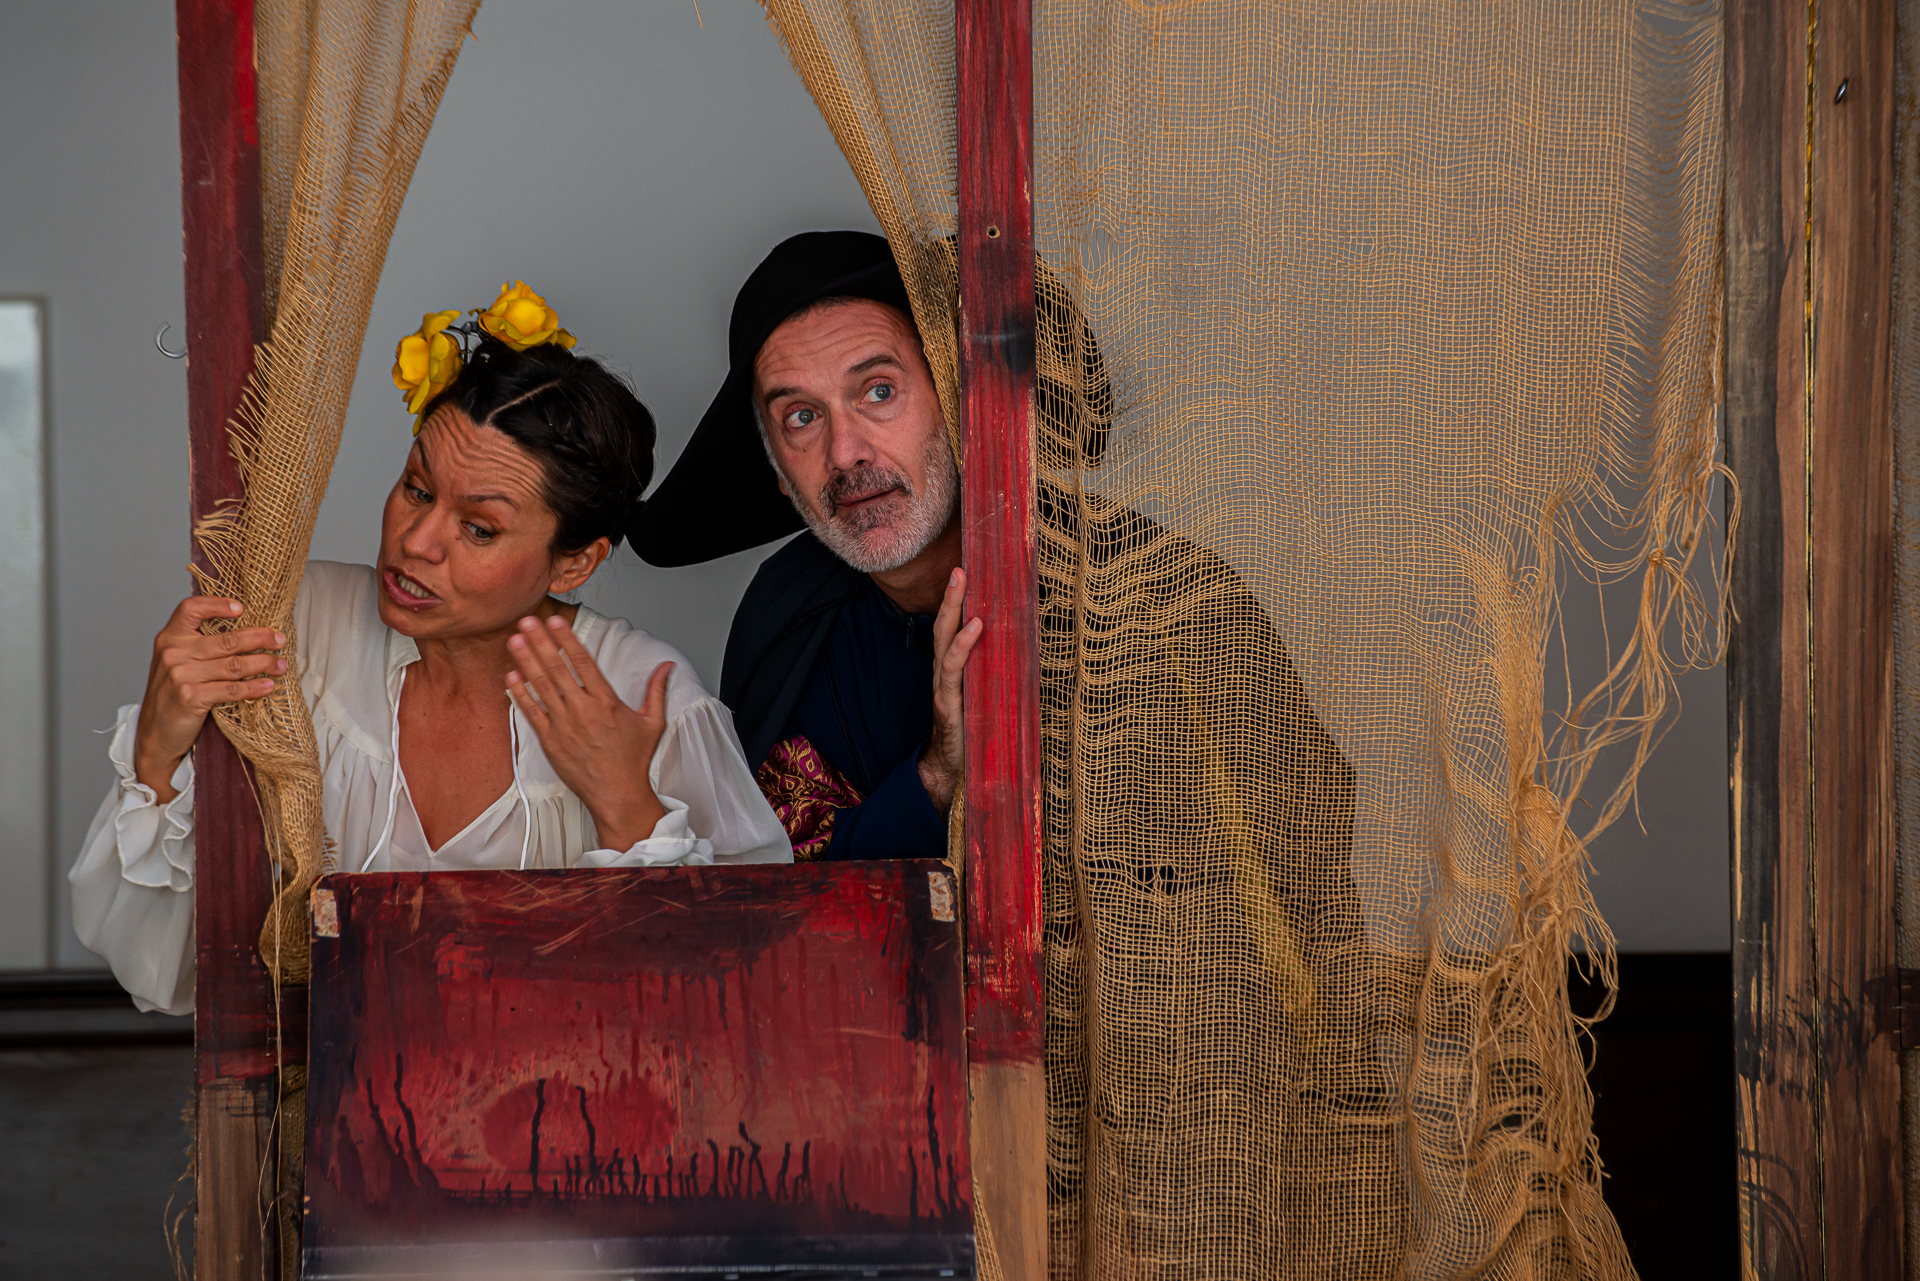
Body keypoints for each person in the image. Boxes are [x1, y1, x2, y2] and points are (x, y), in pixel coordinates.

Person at [72, 282, 792, 1015]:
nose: (416, 543)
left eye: (478, 528)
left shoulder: (645, 698)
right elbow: (163, 968)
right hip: (326, 1089)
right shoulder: (293, 630)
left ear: (576, 563)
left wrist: (628, 809)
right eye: (417, 489)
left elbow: (742, 996)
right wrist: (157, 753)